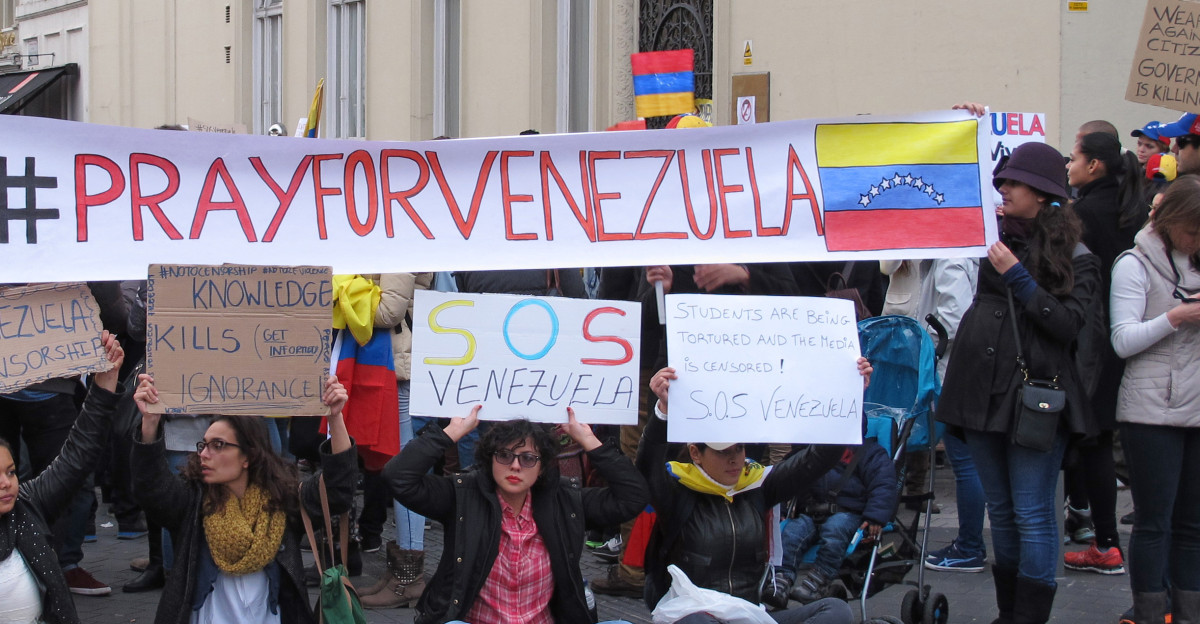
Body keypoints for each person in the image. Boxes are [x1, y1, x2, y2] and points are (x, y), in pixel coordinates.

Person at [936, 102, 1101, 624]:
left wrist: (1018, 278)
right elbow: (945, 189)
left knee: (1032, 514)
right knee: (1002, 514)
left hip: (1034, 399)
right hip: (978, 393)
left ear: (1044, 194)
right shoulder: (990, 233)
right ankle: (1009, 615)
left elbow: (1069, 325)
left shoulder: (1077, 256)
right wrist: (974, 128)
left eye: (1015, 184)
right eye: (1002, 180)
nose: (1004, 190)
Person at [639, 361, 872, 624]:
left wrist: (849, 396)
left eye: (739, 448)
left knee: (836, 610)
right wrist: (663, 411)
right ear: (696, 454)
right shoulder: (676, 490)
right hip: (694, 614)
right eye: (723, 451)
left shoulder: (757, 484)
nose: (734, 459)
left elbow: (818, 458)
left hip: (749, 613)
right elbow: (647, 466)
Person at [385, 406, 649, 624]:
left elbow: (632, 497)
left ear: (542, 467)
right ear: (489, 459)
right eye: (504, 455)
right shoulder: (463, 496)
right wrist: (451, 432)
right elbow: (398, 477)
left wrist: (589, 441)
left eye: (527, 458)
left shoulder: (565, 502)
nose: (514, 465)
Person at [130, 374, 356, 624]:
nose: (204, 454)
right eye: (203, 445)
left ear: (248, 456)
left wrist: (335, 418)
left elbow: (338, 491)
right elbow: (151, 490)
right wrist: (150, 422)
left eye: (218, 445)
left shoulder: (282, 500)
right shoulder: (192, 501)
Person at [1109, 175, 1200, 624]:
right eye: (1193, 230)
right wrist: (1177, 316)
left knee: (1192, 527)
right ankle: (1149, 614)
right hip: (1149, 412)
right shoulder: (1134, 263)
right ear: (1171, 221)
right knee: (1153, 522)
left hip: (1197, 406)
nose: (1197, 240)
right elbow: (1123, 341)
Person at [1060, 131, 1148, 575]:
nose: (1069, 166)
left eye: (1073, 158)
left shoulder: (1087, 213)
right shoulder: (1126, 206)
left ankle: (1105, 542)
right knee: (1095, 437)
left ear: (1093, 165)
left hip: (1093, 342)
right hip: (1118, 339)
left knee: (1089, 440)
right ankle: (1098, 535)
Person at [0, 331, 124, 624]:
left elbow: (76, 457)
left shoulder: (29, 505)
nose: (6, 483)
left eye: (11, 472)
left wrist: (105, 384)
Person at [776, 436, 897, 604]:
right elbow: (783, 477)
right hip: (811, 512)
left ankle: (818, 580)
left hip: (849, 513)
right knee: (791, 534)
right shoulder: (810, 450)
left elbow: (884, 485)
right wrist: (779, 509)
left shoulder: (869, 453)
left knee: (835, 530)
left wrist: (875, 516)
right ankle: (781, 580)